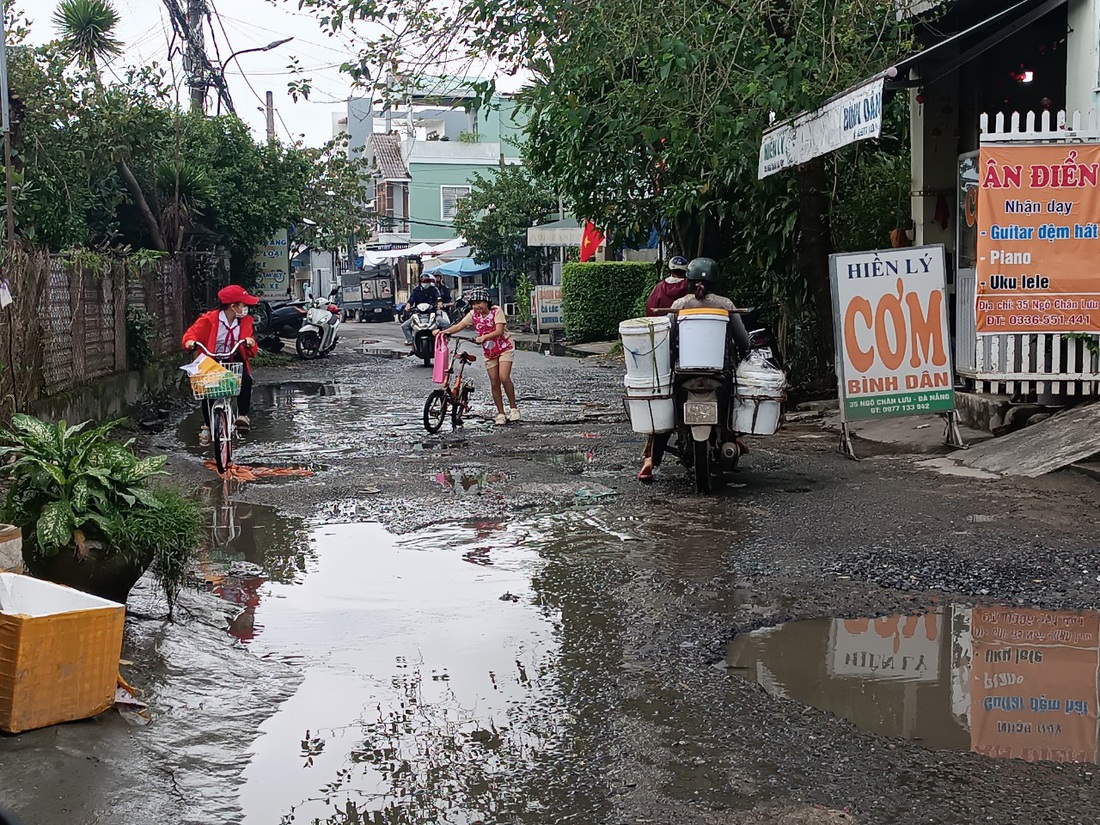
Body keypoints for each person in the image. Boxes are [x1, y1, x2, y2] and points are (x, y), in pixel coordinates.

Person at [637, 258, 749, 482]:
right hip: (719, 373)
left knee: (667, 411)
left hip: (683, 373)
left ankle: (651, 459)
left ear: (688, 281)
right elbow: (742, 340)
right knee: (735, 398)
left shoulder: (679, 305)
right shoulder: (725, 304)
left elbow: (666, 337)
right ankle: (733, 435)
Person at [182, 284, 259, 445]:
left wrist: (250, 343)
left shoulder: (245, 322)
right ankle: (208, 425)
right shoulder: (209, 319)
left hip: (234, 357)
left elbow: (251, 344)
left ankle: (242, 416)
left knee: (245, 379)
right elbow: (192, 333)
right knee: (207, 388)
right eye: (243, 305)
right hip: (212, 359)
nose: (246, 308)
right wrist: (190, 342)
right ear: (233, 306)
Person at [435, 285, 520, 426]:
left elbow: (499, 331)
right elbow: (459, 326)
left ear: (486, 302)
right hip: (490, 351)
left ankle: (513, 408)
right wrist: (444, 332)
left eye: (479, 302)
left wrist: (484, 337)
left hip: (504, 347)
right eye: (474, 304)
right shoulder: (472, 315)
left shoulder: (496, 311)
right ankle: (501, 413)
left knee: (504, 377)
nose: (476, 306)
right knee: (494, 382)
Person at [401, 274, 442, 346]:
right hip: (418, 313)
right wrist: (408, 306)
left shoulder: (434, 289)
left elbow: (438, 298)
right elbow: (411, 300)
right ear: (420, 282)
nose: (425, 283)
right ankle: (410, 341)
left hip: (431, 312)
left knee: (445, 323)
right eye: (424, 281)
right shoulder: (416, 290)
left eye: (427, 281)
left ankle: (443, 339)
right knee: (404, 326)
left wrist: (439, 304)